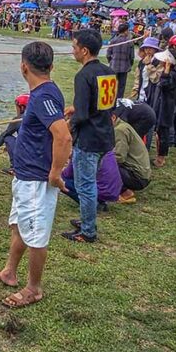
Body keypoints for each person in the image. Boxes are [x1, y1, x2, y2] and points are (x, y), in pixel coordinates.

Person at [0, 42, 71, 308]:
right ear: (51, 66)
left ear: (23, 66)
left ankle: (34, 288)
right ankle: (9, 272)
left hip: (36, 180)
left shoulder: (43, 96)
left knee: (36, 237)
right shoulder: (46, 91)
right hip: (25, 177)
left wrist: (55, 173)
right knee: (19, 227)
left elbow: (63, 136)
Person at [62, 29, 117, 242]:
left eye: (74, 47)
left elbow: (84, 114)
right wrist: (75, 108)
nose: (72, 51)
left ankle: (88, 231)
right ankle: (87, 217)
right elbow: (103, 104)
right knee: (89, 181)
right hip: (105, 135)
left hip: (89, 139)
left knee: (85, 185)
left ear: (84, 51)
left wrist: (69, 125)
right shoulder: (108, 71)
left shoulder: (83, 75)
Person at [112, 107, 152, 203]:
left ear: (113, 117)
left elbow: (119, 157)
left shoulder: (119, 130)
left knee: (104, 165)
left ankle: (126, 192)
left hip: (138, 177)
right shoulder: (122, 125)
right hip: (141, 174)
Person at [105, 23, 134, 91]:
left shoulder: (113, 41)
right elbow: (132, 56)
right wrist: (130, 64)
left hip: (114, 65)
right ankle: (119, 99)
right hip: (125, 67)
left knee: (112, 85)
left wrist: (111, 61)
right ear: (126, 31)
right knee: (121, 86)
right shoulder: (129, 42)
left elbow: (108, 54)